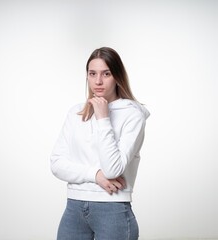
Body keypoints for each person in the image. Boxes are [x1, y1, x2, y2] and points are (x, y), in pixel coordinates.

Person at [50, 47, 150, 240]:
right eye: (92, 73)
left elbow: (113, 169)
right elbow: (56, 164)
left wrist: (104, 118)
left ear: (117, 76)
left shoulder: (132, 114)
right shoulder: (76, 113)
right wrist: (95, 175)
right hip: (74, 207)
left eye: (106, 73)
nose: (98, 81)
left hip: (112, 210)